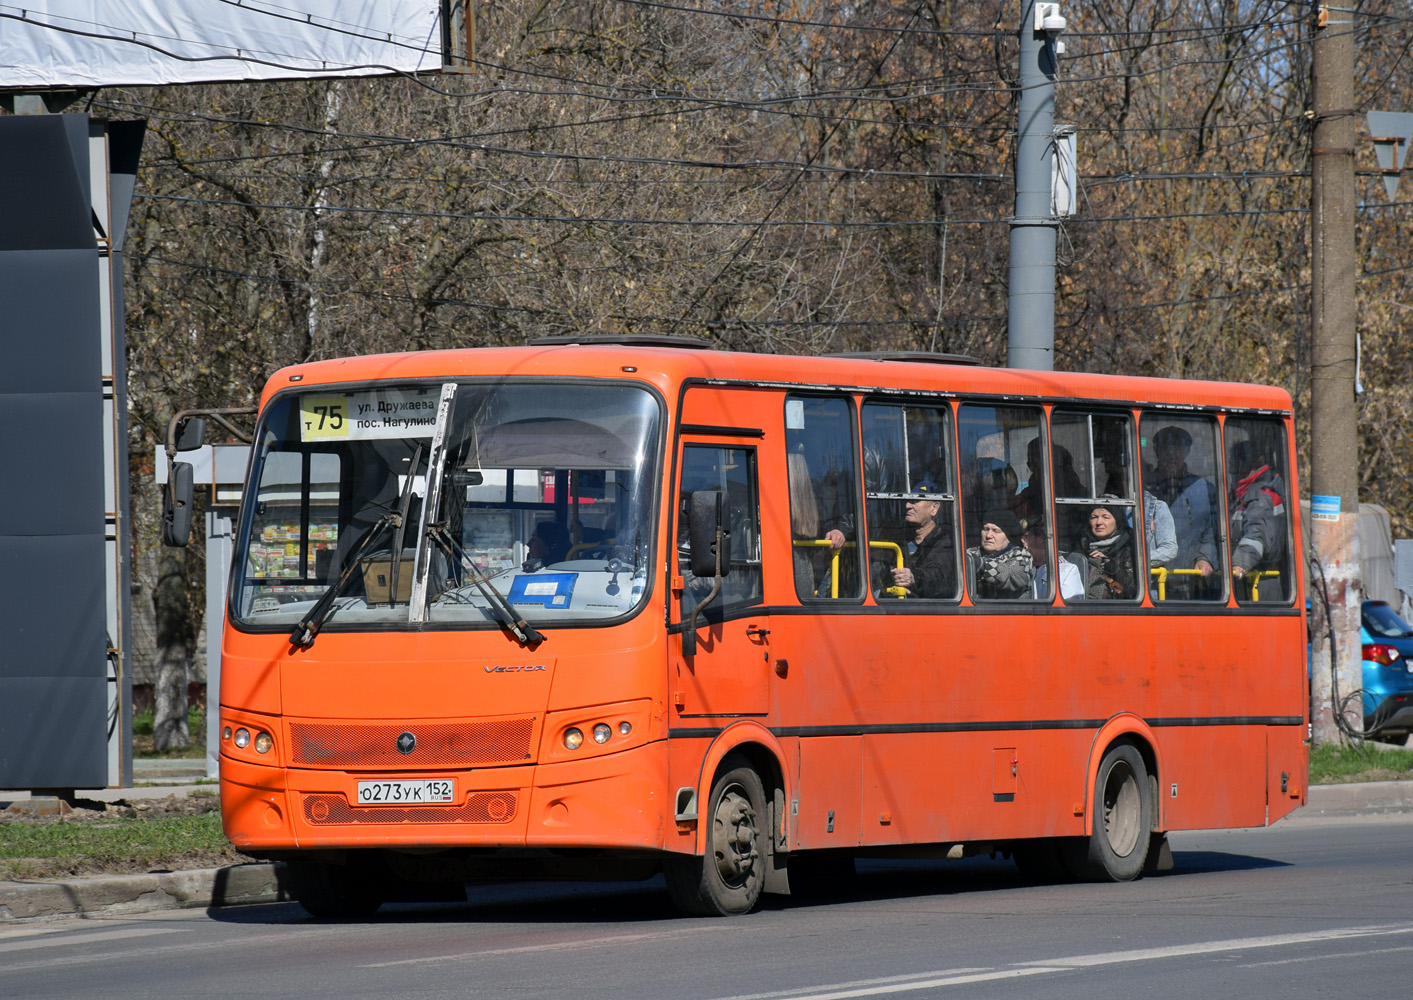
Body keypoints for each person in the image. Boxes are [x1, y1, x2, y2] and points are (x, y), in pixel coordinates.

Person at [1149, 425, 1220, 598]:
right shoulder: (1143, 487)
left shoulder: (1203, 488)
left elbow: (1211, 532)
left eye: (1178, 447)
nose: (1172, 453)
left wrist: (1205, 558)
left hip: (1191, 586)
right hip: (1150, 586)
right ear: (1157, 451)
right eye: (1166, 447)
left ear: (1187, 451)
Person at [1227, 439, 1288, 601]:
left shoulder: (1262, 495)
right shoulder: (1241, 495)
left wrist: (1240, 563)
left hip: (1261, 584)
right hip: (1248, 581)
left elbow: (1256, 534)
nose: (1230, 470)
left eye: (1233, 463)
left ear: (1243, 464)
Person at [886, 480, 956, 599]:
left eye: (915, 501)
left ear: (934, 508)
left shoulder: (946, 541)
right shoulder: (896, 537)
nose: (907, 506)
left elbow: (938, 575)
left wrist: (913, 578)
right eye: (907, 501)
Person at [965, 507, 1034, 599]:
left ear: (1009, 537)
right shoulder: (970, 553)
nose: (988, 535)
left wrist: (979, 565)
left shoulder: (1022, 557)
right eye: (986, 529)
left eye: (996, 531)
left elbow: (1010, 574)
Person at [1082, 497, 1137, 600]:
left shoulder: (1128, 545)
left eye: (1105, 517)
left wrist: (1109, 564)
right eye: (1094, 517)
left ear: (1117, 521)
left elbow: (1131, 589)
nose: (1099, 522)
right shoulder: (1081, 544)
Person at [1021, 521, 1084, 601]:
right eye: (1037, 533)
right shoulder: (1019, 567)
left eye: (1049, 534)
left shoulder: (1068, 570)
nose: (1045, 537)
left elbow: (1067, 607)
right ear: (1025, 540)